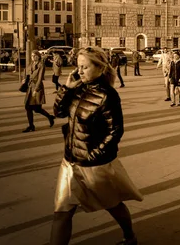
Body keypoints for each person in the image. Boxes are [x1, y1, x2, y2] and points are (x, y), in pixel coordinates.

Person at [51, 46, 142, 245]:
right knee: (62, 212)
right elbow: (58, 113)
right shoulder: (77, 88)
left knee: (113, 205)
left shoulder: (108, 95)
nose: (79, 71)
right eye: (78, 67)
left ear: (99, 68)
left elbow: (115, 131)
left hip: (94, 165)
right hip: (70, 162)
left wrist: (93, 155)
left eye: (84, 67)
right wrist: (66, 88)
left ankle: (129, 236)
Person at [22, 50, 55, 132]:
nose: (33, 57)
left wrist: (36, 90)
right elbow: (25, 71)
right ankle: (48, 118)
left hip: (37, 87)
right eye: (32, 55)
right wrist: (24, 79)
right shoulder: (31, 64)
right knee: (33, 108)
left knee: (32, 108)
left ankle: (32, 126)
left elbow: (40, 78)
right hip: (30, 87)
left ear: (38, 56)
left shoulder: (41, 65)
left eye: (35, 55)